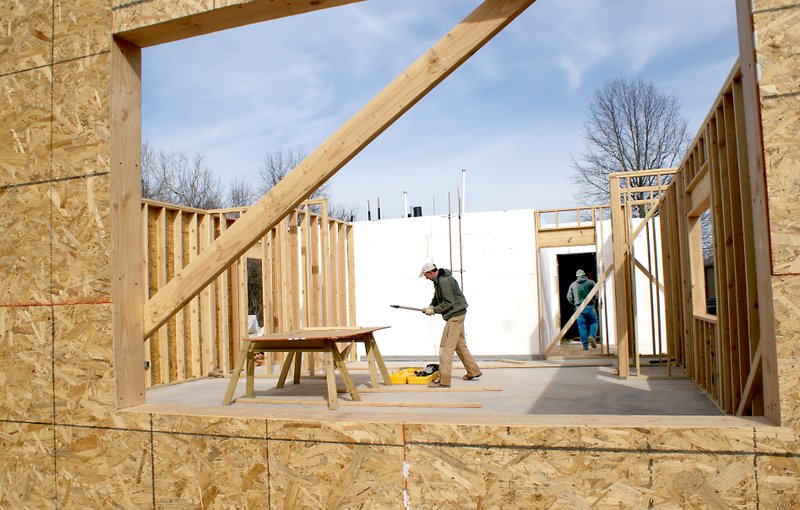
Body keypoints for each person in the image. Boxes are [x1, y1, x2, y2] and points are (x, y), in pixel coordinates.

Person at [419, 262, 482, 388]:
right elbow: (437, 298)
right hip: (458, 314)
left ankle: (444, 380)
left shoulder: (444, 281)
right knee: (460, 346)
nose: (426, 278)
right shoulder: (438, 281)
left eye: (426, 275)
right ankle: (473, 371)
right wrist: (431, 306)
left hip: (454, 316)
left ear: (431, 272)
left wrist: (435, 310)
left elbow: (449, 302)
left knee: (445, 348)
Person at [566, 269, 599, 350]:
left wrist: (575, 303)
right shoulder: (591, 282)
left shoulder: (573, 285)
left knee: (582, 326)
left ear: (577, 276)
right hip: (590, 306)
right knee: (594, 322)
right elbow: (596, 294)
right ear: (584, 275)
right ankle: (591, 336)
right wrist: (594, 300)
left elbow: (569, 297)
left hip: (579, 308)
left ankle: (585, 345)